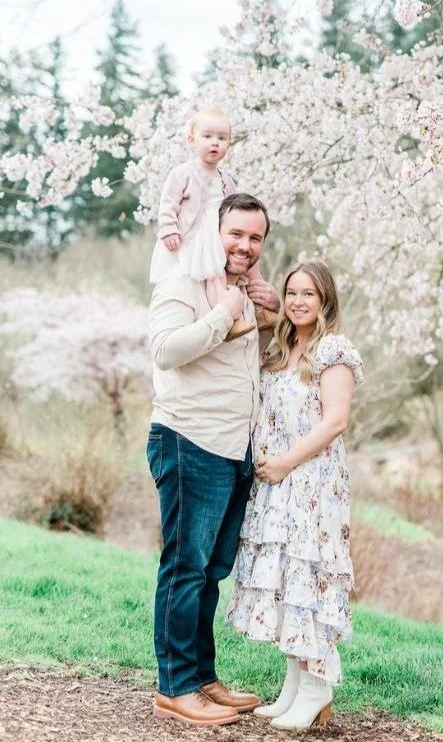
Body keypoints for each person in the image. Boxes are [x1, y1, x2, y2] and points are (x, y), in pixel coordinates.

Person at [146, 192, 280, 727]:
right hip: (188, 439)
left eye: (255, 238)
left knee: (210, 571)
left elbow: (245, 362)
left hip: (234, 446)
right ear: (214, 231)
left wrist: (266, 317)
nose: (245, 246)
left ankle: (201, 678)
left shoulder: (245, 290)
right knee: (185, 567)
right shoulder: (183, 281)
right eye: (236, 234)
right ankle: (174, 687)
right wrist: (224, 316)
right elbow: (164, 350)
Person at [226, 261, 363, 732]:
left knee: (309, 580)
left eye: (309, 294)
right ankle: (294, 687)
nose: (299, 301)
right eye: (292, 293)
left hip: (312, 484)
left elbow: (335, 421)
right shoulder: (283, 348)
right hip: (278, 488)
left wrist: (285, 461)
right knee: (287, 584)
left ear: (325, 300)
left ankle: (317, 690)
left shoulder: (333, 351)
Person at [150, 109, 268, 336]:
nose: (215, 143)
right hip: (199, 235)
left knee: (249, 267)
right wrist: (169, 229)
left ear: (228, 144)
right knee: (215, 274)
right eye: (208, 137)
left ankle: (259, 308)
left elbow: (236, 206)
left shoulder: (226, 179)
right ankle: (226, 317)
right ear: (191, 139)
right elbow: (168, 204)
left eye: (221, 138)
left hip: (222, 232)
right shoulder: (183, 173)